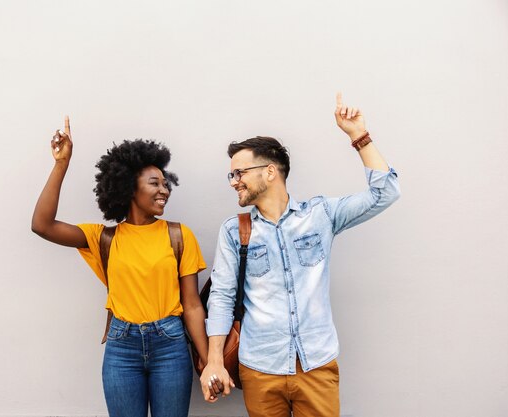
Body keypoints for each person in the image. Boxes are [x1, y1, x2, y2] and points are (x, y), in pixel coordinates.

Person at [200, 94, 401, 417]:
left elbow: (385, 193)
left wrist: (358, 136)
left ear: (269, 172)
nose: (234, 182)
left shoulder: (320, 215)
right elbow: (221, 297)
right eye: (232, 175)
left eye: (240, 173)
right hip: (260, 368)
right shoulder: (233, 231)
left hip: (316, 366)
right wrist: (213, 362)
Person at [31, 116, 208, 417]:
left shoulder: (179, 235)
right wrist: (62, 164)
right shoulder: (103, 238)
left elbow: (191, 305)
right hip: (121, 348)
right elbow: (42, 225)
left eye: (166, 184)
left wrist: (207, 362)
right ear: (129, 187)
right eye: (154, 183)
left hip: (171, 345)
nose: (164, 189)